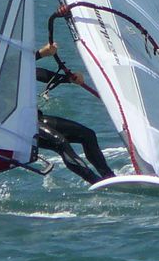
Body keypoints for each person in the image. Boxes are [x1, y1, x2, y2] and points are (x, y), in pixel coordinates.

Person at [33, 42, 114, 184]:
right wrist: (40, 54)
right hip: (16, 126)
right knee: (60, 142)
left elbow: (34, 72)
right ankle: (95, 181)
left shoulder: (17, 67)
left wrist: (68, 79)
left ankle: (110, 178)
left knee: (87, 135)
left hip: (34, 119)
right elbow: (11, 66)